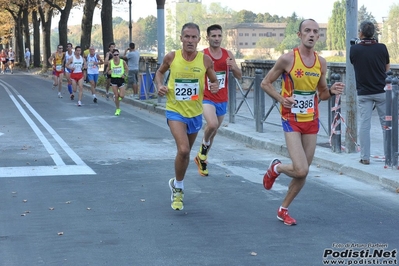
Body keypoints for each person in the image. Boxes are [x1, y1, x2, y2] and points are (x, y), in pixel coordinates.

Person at [260, 19, 345, 225]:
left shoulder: (321, 62)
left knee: (302, 172)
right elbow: (265, 83)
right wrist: (282, 99)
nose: (311, 34)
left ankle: (283, 209)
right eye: (307, 31)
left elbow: (322, 94)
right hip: (291, 119)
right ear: (299, 35)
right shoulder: (287, 59)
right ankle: (277, 168)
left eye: (315, 32)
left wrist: (331, 91)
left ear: (318, 36)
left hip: (311, 121)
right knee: (301, 169)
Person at [155, 22, 219, 211]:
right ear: (181, 38)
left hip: (195, 113)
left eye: (194, 37)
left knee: (185, 154)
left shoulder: (205, 60)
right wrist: (159, 85)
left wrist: (214, 86)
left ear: (199, 39)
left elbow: (214, 80)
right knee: (183, 150)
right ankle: (179, 190)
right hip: (175, 110)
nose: (190, 40)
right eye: (187, 37)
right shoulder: (172, 57)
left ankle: (176, 182)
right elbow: (159, 73)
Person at [194, 24, 242, 177]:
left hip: (222, 98)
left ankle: (202, 158)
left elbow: (239, 76)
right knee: (212, 124)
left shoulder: (228, 54)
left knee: (213, 132)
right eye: (213, 36)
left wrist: (233, 66)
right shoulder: (202, 55)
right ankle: (202, 150)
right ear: (207, 37)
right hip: (207, 97)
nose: (216, 39)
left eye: (219, 36)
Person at [349, 20, 390, 165]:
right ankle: (389, 156)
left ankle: (365, 157)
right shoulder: (382, 47)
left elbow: (355, 63)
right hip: (381, 91)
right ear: (373, 33)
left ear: (360, 32)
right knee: (386, 125)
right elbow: (387, 67)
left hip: (364, 92)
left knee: (365, 124)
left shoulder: (354, 49)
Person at [106, 49, 128, 115]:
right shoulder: (110, 62)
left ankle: (117, 97)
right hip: (114, 79)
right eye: (115, 55)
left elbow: (127, 69)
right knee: (116, 95)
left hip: (121, 79)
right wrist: (109, 72)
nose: (116, 56)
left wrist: (125, 75)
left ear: (119, 55)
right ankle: (118, 109)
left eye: (117, 55)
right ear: (112, 55)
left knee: (122, 95)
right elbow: (107, 70)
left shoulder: (122, 61)